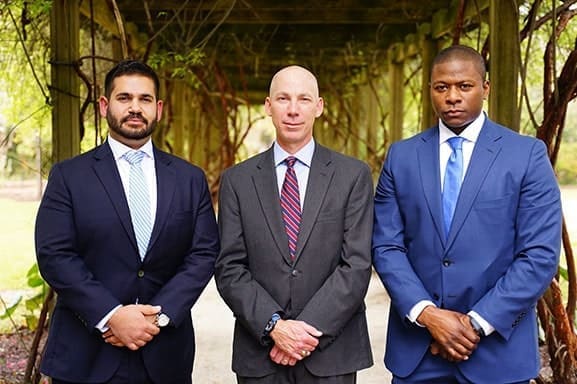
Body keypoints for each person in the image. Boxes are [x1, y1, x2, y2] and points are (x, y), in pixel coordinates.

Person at [372, 44, 562, 383]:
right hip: (418, 352)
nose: (452, 97)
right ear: (430, 89)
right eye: (441, 87)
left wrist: (473, 324)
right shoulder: (401, 158)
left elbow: (539, 255)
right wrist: (428, 315)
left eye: (464, 86)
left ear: (485, 88)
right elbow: (387, 247)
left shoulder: (527, 156)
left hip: (497, 353)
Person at [35, 60, 219, 384]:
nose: (135, 108)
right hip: (86, 354)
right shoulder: (69, 176)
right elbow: (55, 254)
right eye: (124, 98)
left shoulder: (189, 179)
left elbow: (203, 254)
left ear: (158, 109)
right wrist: (111, 316)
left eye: (145, 99)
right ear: (105, 105)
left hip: (165, 356)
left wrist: (156, 319)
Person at [215, 65, 374, 384]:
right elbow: (229, 267)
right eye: (283, 98)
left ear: (319, 106)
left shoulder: (352, 176)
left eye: (303, 99)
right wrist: (274, 326)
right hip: (260, 354)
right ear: (268, 106)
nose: (292, 109)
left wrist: (302, 334)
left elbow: (356, 264)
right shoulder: (236, 181)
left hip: (332, 353)